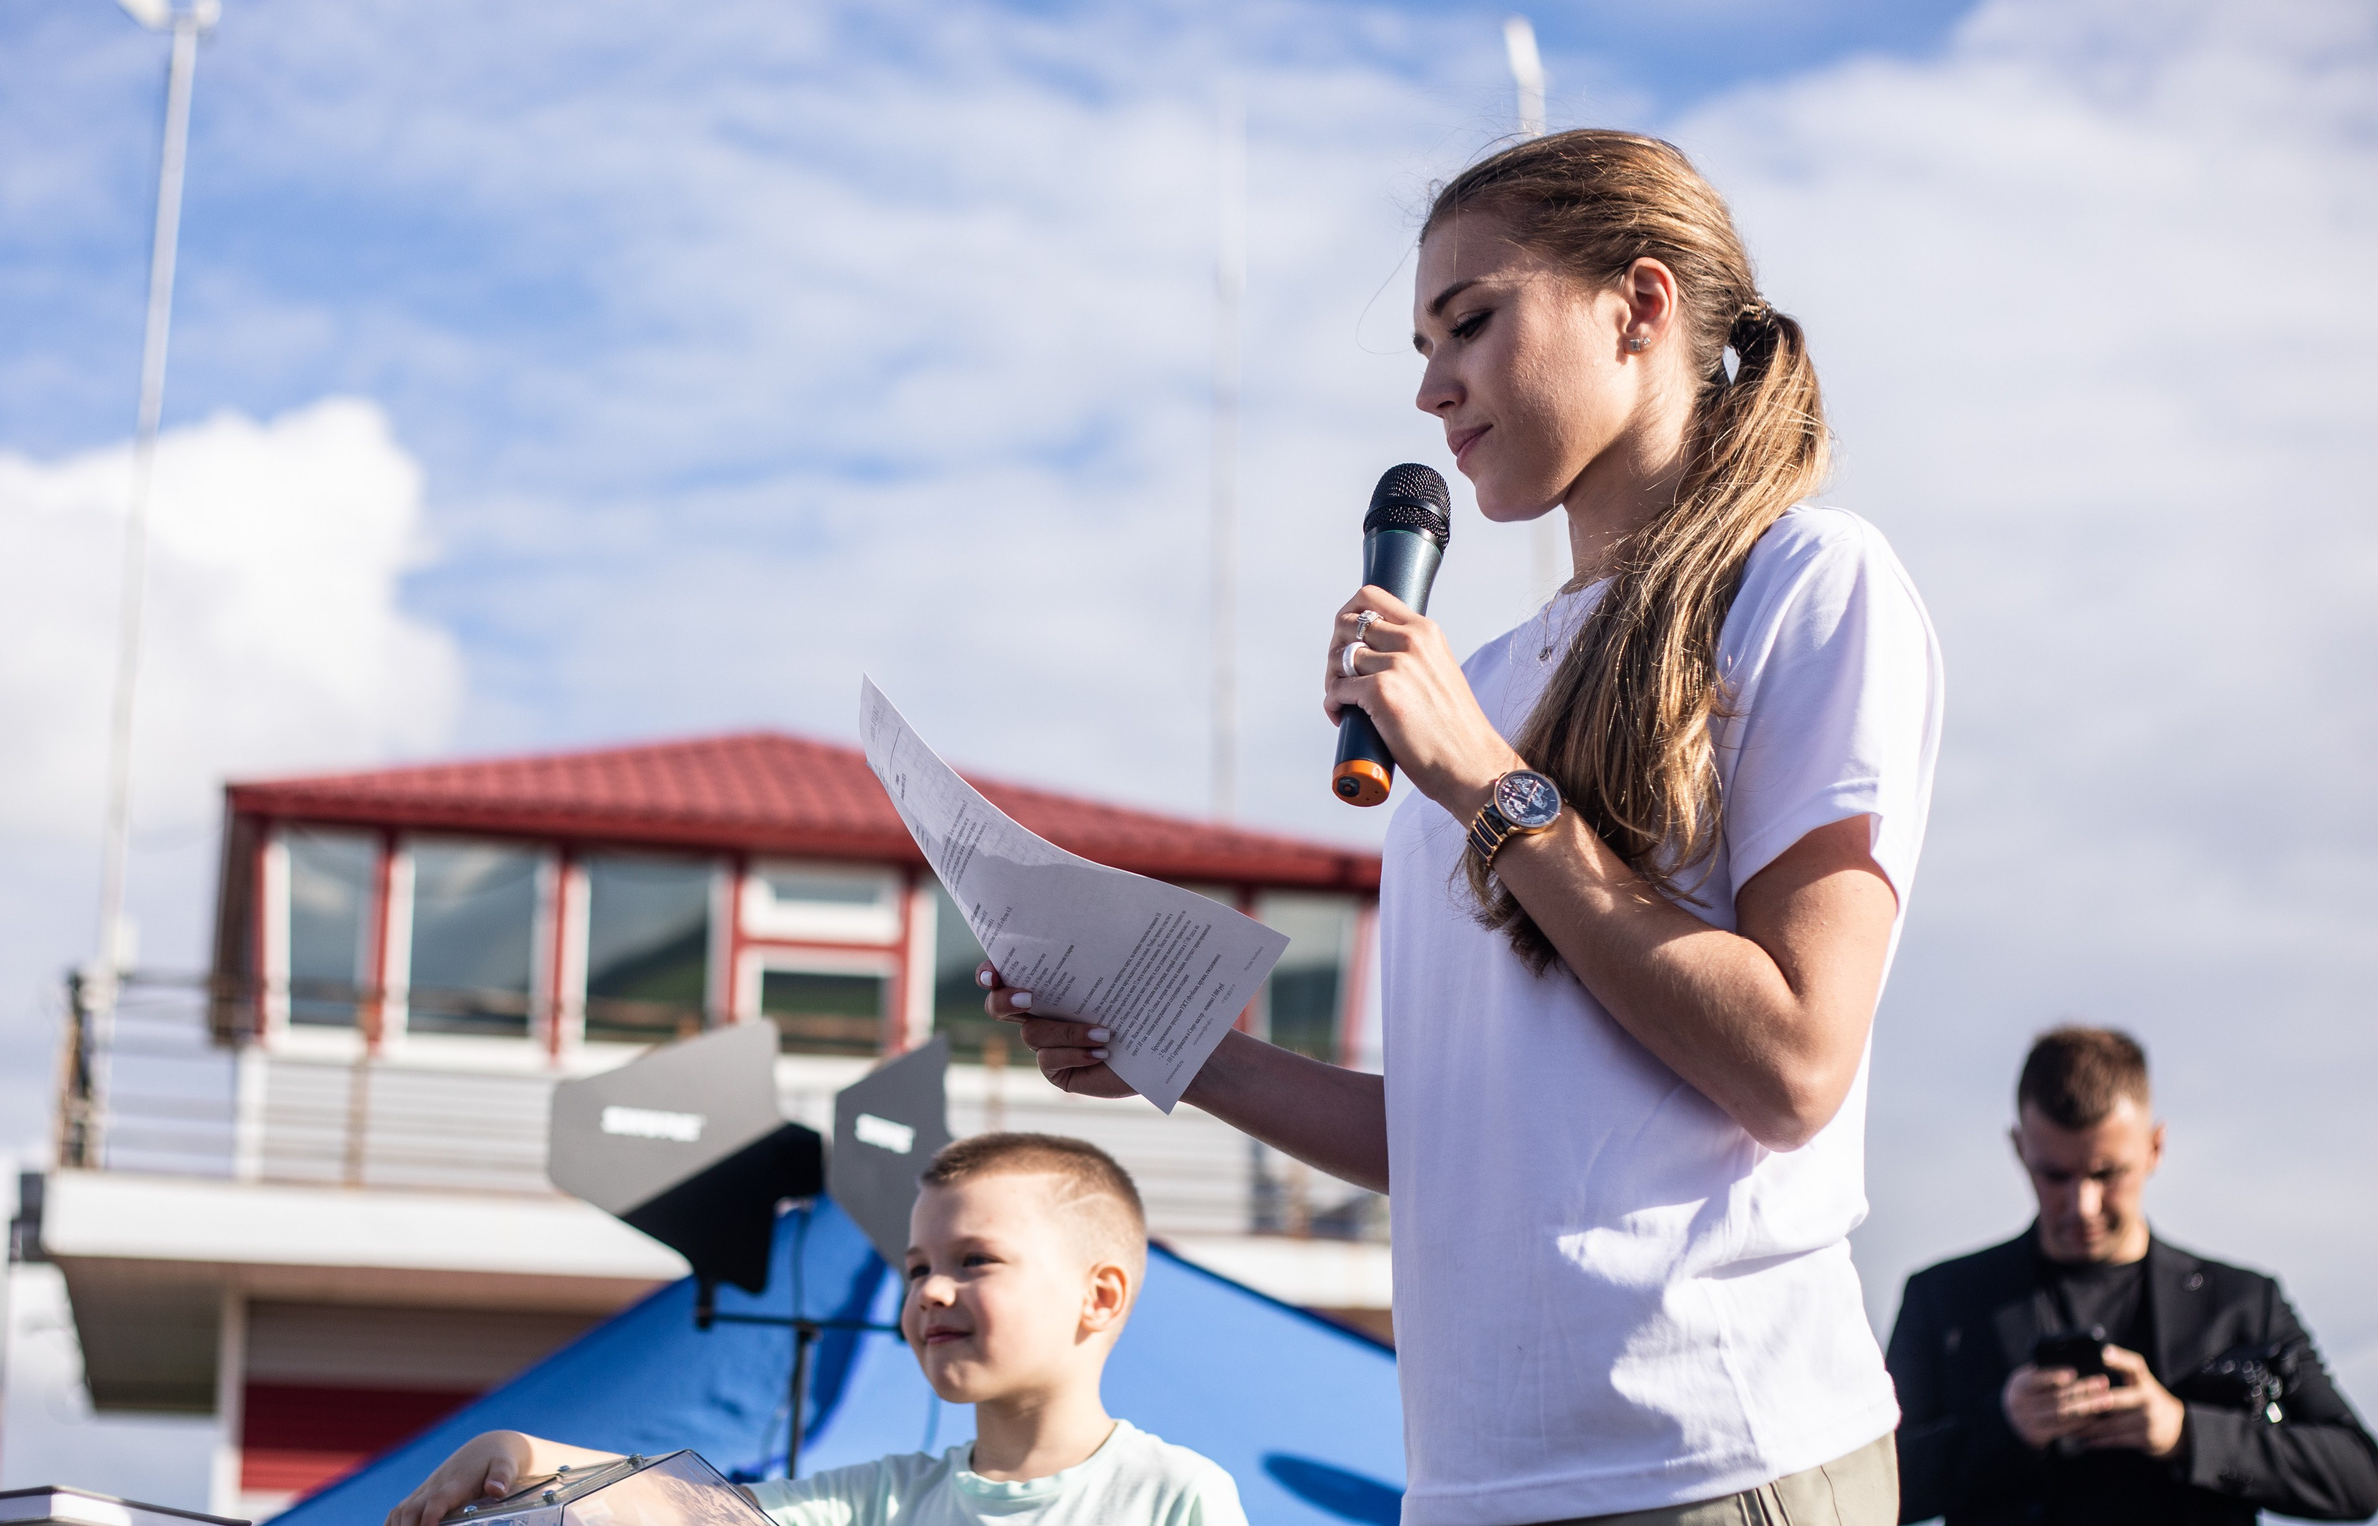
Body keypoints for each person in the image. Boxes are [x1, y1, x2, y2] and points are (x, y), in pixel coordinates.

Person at [986, 128, 1942, 1524]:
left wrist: (1489, 784)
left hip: (1711, 1455)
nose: (1432, 387)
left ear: (1639, 305)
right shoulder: (1476, 684)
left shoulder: (1807, 581)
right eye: (1424, 345)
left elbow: (1793, 1060)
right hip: (1471, 1476)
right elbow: (1456, 1135)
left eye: (1472, 322)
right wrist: (1177, 1047)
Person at [384, 1133, 1246, 1526]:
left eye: (976, 1260)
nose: (932, 1291)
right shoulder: (883, 1499)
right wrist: (524, 1452)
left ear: (1100, 1297)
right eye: (916, 1267)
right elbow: (691, 1515)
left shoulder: (1175, 1496)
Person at [1887, 1027, 2378, 1524]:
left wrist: (2185, 1433)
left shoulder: (2242, 1302)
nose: (2082, 1204)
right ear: (2019, 1148)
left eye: (2107, 1174)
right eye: (2055, 1175)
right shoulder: (1942, 1301)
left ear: (2154, 1148)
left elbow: (2360, 1478)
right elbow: (1876, 1486)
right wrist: (2003, 1427)